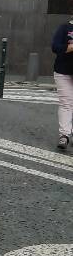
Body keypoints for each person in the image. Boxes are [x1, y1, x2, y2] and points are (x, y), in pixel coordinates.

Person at [51, 11, 73, 152]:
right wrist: (70, 47)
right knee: (66, 103)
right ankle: (64, 135)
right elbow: (55, 47)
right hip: (63, 71)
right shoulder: (64, 28)